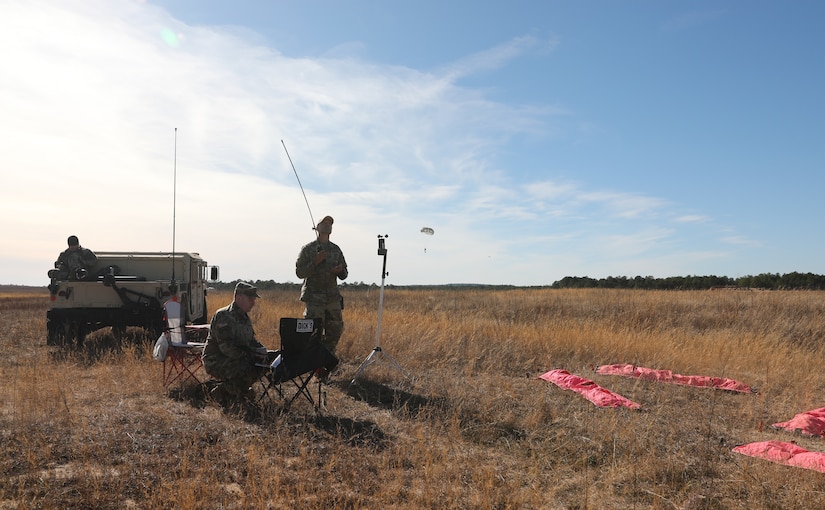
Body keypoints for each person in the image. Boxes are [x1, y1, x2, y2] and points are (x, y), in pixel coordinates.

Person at [202, 281, 269, 403]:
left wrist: (262, 351)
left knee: (262, 367)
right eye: (250, 299)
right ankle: (220, 392)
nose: (253, 303)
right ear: (238, 298)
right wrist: (252, 355)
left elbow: (251, 341)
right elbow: (226, 348)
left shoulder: (244, 318)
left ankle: (236, 392)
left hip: (236, 358)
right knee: (245, 369)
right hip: (215, 360)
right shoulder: (223, 315)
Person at [295, 215, 348, 359]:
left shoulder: (336, 250)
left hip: (332, 298)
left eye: (330, 224)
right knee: (312, 332)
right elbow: (299, 272)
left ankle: (326, 360)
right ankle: (312, 362)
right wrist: (315, 262)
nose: (327, 225)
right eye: (323, 223)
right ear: (317, 228)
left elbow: (345, 273)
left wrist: (340, 270)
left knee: (335, 330)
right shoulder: (308, 249)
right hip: (314, 298)